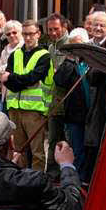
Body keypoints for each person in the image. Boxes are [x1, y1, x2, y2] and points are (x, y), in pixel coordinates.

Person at [2, 19, 53, 171]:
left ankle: (37, 180)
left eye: (31, 34)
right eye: (25, 34)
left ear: (38, 34)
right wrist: (16, 80)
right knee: (19, 150)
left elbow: (32, 78)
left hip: (34, 110)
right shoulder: (15, 54)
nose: (28, 37)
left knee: (37, 151)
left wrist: (13, 78)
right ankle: (22, 180)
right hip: (14, 108)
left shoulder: (44, 55)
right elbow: (7, 81)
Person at [53, 27, 91, 181]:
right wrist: (69, 58)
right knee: (77, 150)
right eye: (74, 46)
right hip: (75, 116)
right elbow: (59, 80)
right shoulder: (69, 64)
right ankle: (78, 180)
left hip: (93, 115)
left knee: (90, 150)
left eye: (80, 45)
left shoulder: (91, 62)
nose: (78, 50)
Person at [45, 13, 70, 180]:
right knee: (53, 141)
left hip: (68, 103)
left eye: (56, 29)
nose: (53, 33)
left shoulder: (71, 44)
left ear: (64, 27)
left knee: (67, 142)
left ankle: (68, 173)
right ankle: (52, 174)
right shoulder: (51, 47)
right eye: (50, 30)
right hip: (53, 103)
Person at [0, 21, 21, 112]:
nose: (11, 35)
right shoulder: (5, 51)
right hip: (6, 95)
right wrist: (5, 70)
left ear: (21, 32)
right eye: (8, 34)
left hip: (20, 95)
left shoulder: (24, 48)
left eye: (14, 32)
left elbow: (17, 70)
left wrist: (4, 70)